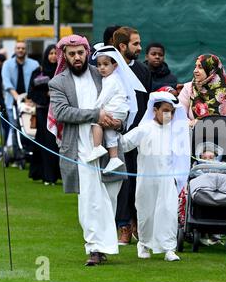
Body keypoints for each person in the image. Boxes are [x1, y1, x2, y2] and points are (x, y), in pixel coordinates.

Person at [48, 34, 129, 266]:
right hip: (79, 149)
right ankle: (94, 247)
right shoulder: (58, 83)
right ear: (64, 55)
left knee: (110, 194)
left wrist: (118, 122)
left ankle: (103, 246)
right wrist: (95, 115)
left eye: (80, 53)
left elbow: (121, 100)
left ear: (86, 52)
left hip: (108, 146)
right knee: (89, 200)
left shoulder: (102, 72)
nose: (76, 57)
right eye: (71, 54)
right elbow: (62, 112)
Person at [119, 90, 190, 261]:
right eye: (165, 111)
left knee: (168, 212)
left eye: (172, 112)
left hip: (167, 180)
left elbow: (181, 156)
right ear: (155, 110)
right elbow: (124, 144)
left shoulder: (175, 132)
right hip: (146, 180)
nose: (169, 115)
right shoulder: (144, 129)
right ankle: (143, 243)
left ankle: (169, 248)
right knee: (146, 213)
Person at [113, 26, 152, 245]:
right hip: (115, 137)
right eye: (136, 44)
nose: (140, 47)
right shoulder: (110, 68)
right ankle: (123, 226)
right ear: (122, 46)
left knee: (138, 182)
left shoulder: (143, 71)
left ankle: (138, 223)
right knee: (121, 183)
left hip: (139, 138)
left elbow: (146, 105)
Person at [87, 44, 145, 173]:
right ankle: (114, 158)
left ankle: (97, 147)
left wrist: (95, 110)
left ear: (115, 65)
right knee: (110, 131)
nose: (101, 67)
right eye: (99, 64)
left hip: (115, 109)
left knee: (96, 121)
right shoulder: (113, 78)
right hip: (120, 111)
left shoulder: (111, 79)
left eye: (105, 64)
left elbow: (104, 97)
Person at [177, 54, 226, 127]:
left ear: (212, 69)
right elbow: (179, 114)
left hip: (225, 134)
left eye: (200, 67)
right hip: (196, 134)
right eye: (195, 66)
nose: (195, 71)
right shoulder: (188, 88)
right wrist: (192, 124)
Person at [27, 44, 61, 185]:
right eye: (50, 53)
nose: (53, 56)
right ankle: (47, 176)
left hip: (59, 112)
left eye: (55, 53)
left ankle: (57, 175)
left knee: (56, 143)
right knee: (45, 143)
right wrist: (46, 95)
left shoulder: (62, 71)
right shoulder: (38, 71)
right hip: (43, 112)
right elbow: (31, 92)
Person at [1, 41, 39, 165]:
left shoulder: (34, 64)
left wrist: (30, 98)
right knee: (15, 127)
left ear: (26, 50)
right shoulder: (7, 64)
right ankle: (18, 156)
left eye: (23, 48)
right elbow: (6, 82)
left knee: (30, 128)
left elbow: (37, 82)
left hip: (30, 101)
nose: (20, 50)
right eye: (18, 48)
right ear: (15, 50)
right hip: (13, 101)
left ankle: (31, 153)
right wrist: (16, 97)